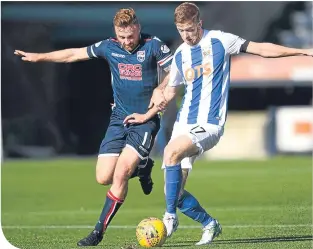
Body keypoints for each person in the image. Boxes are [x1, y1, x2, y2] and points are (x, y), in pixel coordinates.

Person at [124, 2, 313, 246]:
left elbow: (261, 49)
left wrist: (301, 51)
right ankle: (210, 224)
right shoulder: (181, 53)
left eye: (190, 29)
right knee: (176, 193)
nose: (186, 35)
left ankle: (169, 218)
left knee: (170, 153)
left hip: (209, 124)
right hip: (184, 124)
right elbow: (170, 92)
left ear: (199, 23)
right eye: (181, 31)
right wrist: (146, 114)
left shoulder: (221, 41)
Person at [14, 8, 173, 246]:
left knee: (120, 174)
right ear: (115, 34)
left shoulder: (154, 46)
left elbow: (176, 71)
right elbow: (73, 54)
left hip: (145, 121)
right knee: (103, 177)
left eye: (130, 36)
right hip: (119, 119)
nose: (127, 42)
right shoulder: (109, 47)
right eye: (122, 37)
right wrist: (40, 57)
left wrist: (160, 88)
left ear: (138, 28)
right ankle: (143, 167)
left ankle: (98, 232)